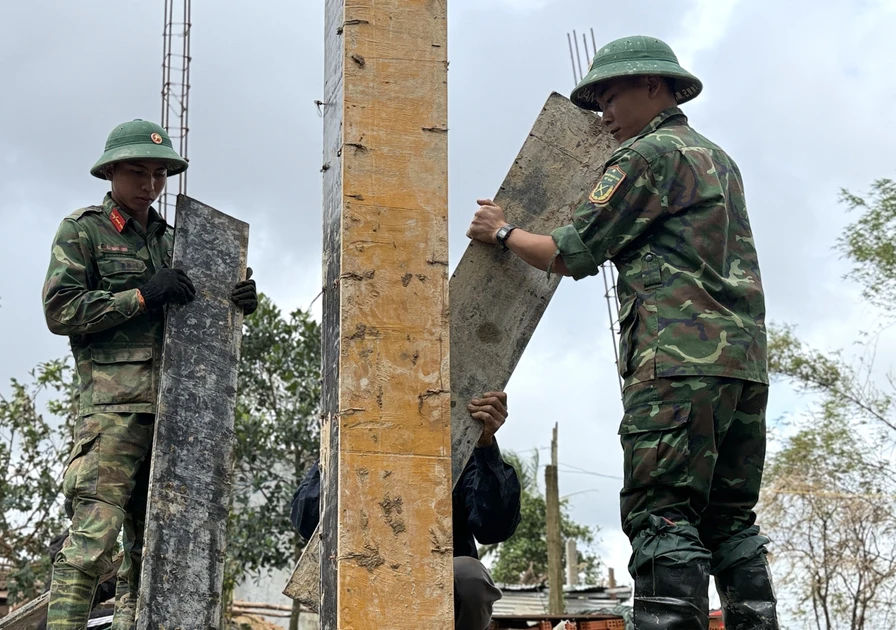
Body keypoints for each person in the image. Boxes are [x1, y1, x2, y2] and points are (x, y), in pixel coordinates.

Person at [465, 35, 775, 630]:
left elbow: (568, 252)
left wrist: (502, 232)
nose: (603, 114)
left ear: (653, 86)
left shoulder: (647, 155)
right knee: (732, 522)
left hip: (676, 364)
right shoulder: (717, 158)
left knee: (662, 513)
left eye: (610, 97)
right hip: (743, 367)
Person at [42, 118, 258, 629]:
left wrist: (237, 301)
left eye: (160, 174)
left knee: (151, 555)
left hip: (177, 413)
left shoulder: (180, 242)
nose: (150, 184)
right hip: (113, 413)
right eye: (138, 172)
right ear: (111, 172)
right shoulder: (83, 230)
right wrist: (142, 296)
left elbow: (200, 320)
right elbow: (61, 310)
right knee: (91, 544)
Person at [289, 391, 521, 630]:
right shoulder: (351, 443)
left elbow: (493, 529)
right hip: (367, 579)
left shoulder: (457, 448)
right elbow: (307, 521)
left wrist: (484, 444)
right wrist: (340, 442)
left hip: (439, 584)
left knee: (470, 576)